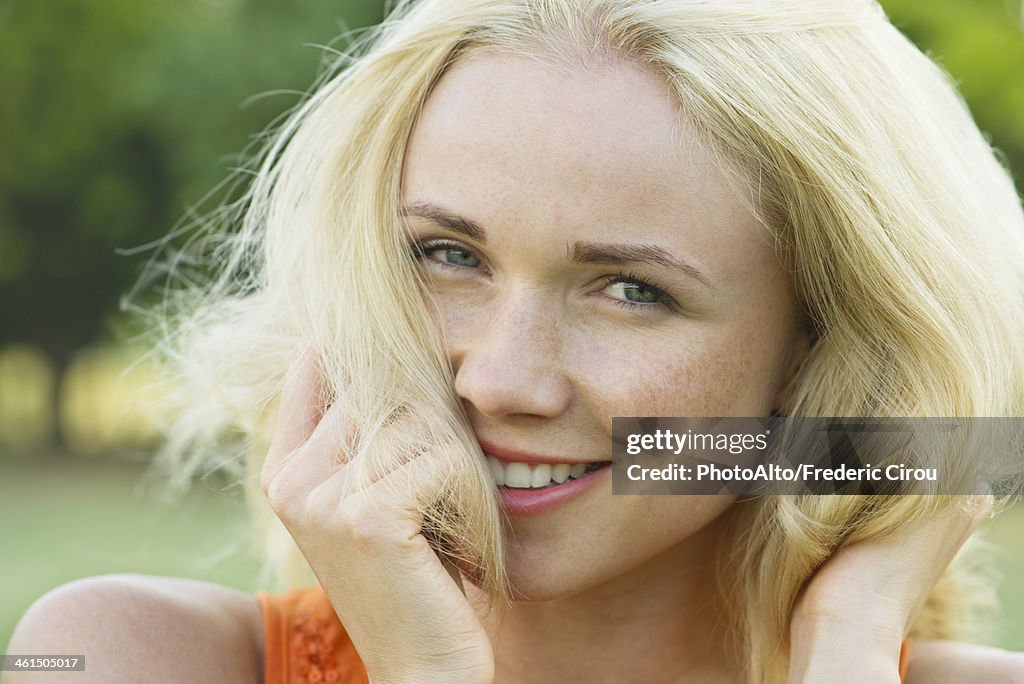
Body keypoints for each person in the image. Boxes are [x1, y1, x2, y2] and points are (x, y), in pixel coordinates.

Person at [7, 0, 1024, 682]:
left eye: (632, 289)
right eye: (449, 254)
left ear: (818, 348)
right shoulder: (121, 657)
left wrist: (844, 649)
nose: (499, 379)